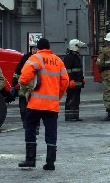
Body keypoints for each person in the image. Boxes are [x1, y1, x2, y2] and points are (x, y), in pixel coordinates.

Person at [18, 38, 69, 170]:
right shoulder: (58, 60)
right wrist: (58, 96)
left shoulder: (36, 58)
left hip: (35, 103)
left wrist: (25, 87)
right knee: (51, 132)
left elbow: (24, 77)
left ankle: (30, 159)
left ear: (39, 48)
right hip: (52, 104)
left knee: (30, 129)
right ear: (49, 47)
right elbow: (65, 81)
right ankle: (50, 162)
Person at [10, 41, 39, 129]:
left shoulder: (40, 59)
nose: (35, 51)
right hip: (24, 87)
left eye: (36, 49)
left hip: (36, 87)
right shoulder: (25, 58)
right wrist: (13, 84)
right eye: (33, 49)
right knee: (23, 109)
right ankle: (25, 123)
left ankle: (35, 125)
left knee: (35, 108)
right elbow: (17, 72)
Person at [63, 39, 86, 121]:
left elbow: (79, 70)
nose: (79, 49)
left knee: (76, 100)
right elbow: (67, 71)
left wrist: (82, 78)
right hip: (72, 83)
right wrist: (70, 80)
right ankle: (69, 116)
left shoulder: (76, 57)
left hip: (78, 82)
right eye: (78, 47)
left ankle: (75, 115)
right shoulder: (68, 58)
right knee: (71, 99)